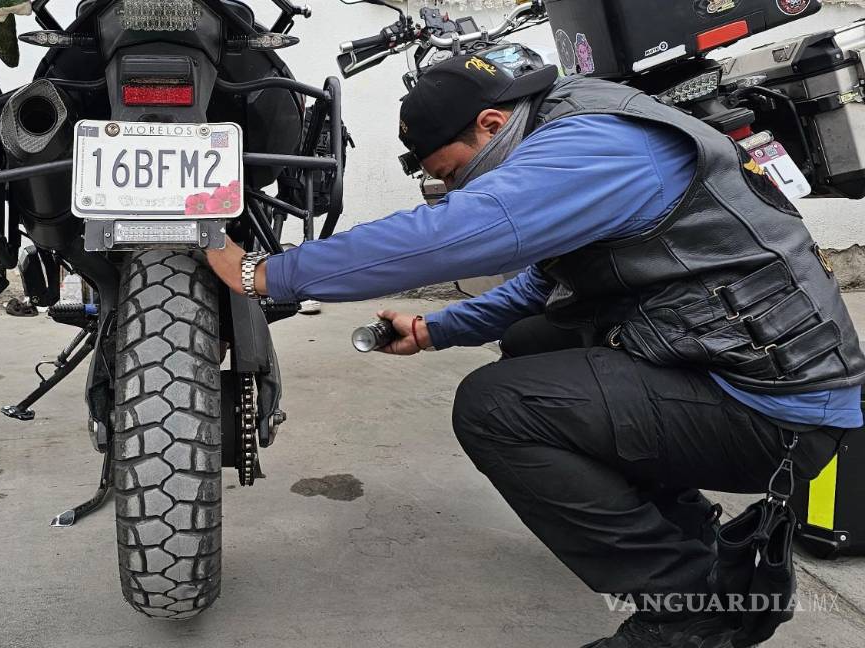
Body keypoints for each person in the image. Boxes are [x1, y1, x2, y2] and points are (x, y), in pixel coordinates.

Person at [205, 49, 863, 647]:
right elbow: (549, 284)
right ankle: (693, 540)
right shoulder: (578, 120)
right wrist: (437, 329)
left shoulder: (593, 147)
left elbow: (456, 233)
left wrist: (265, 273)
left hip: (780, 413)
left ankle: (690, 611)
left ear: (491, 124)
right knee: (531, 341)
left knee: (495, 408)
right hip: (737, 369)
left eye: (454, 173)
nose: (459, 189)